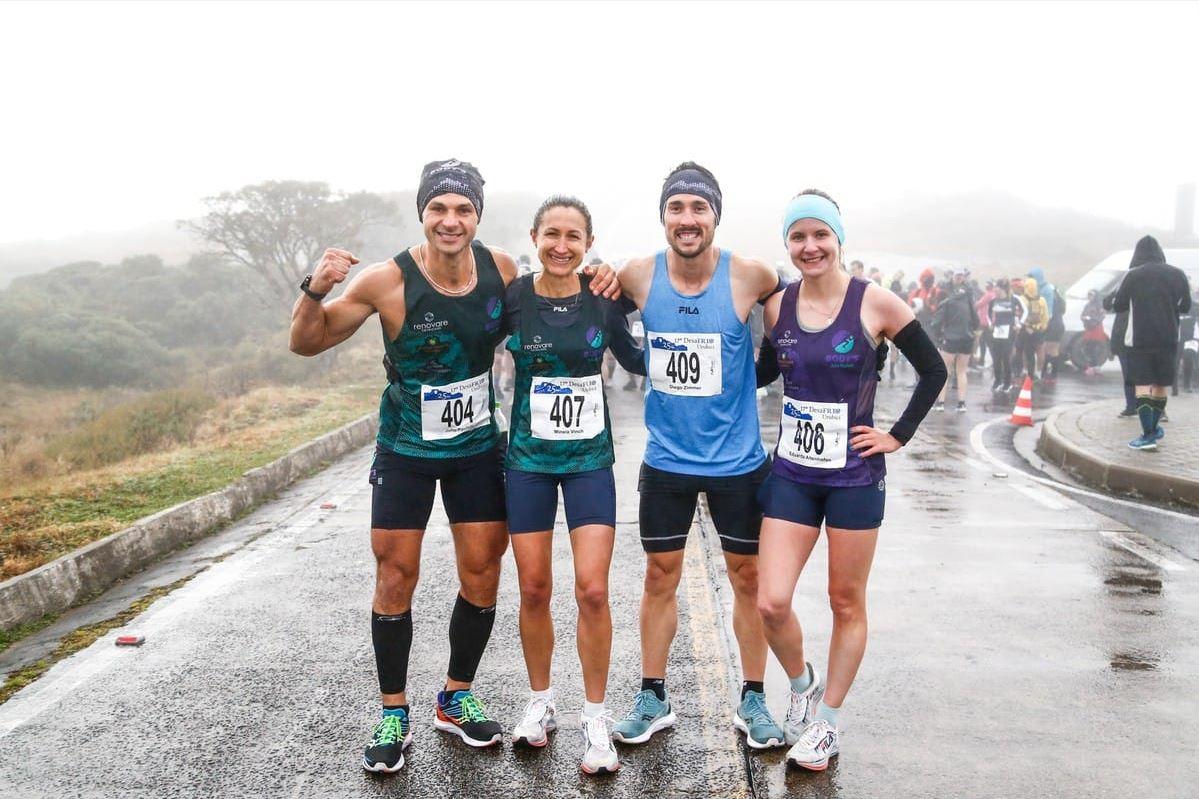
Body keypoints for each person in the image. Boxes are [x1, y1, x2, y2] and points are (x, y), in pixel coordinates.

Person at [288, 159, 617, 774]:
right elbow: (307, 342)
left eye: (463, 209)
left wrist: (602, 282)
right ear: (422, 213)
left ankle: (456, 695)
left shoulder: (502, 271)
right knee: (396, 573)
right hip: (407, 449)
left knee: (483, 570)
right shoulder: (388, 280)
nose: (450, 219)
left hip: (476, 448)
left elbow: (554, 306)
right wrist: (315, 289)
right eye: (438, 208)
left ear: (478, 218)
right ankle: (393, 710)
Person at [755, 190, 946, 771]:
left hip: (854, 475)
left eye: (820, 235)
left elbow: (932, 370)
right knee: (771, 601)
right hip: (792, 470)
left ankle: (828, 722)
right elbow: (761, 373)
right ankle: (803, 682)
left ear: (838, 240)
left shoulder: (877, 304)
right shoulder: (776, 307)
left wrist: (896, 435)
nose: (809, 247)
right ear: (787, 244)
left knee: (845, 601)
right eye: (798, 237)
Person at [609, 162, 788, 750]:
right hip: (666, 463)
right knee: (660, 577)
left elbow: (790, 334)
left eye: (699, 209)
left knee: (748, 578)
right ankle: (653, 695)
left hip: (738, 463)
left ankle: (755, 698)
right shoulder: (638, 275)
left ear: (715, 216)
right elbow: (611, 321)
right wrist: (639, 364)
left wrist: (754, 379)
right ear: (664, 216)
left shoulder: (752, 275)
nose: (687, 220)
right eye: (677, 208)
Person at [503, 196, 643, 774]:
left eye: (574, 236)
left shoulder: (603, 297)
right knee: (534, 588)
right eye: (552, 234)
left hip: (589, 461)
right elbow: (463, 339)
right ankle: (540, 703)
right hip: (528, 461)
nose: (562, 245)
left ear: (589, 244)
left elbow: (637, 357)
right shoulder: (512, 300)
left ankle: (595, 715)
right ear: (535, 237)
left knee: (591, 590)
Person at [1105, 235, 1192, 450]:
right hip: (1169, 338)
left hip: (1139, 339)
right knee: (1161, 385)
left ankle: (1147, 435)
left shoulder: (1133, 276)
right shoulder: (1177, 274)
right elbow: (1186, 307)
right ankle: (1153, 430)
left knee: (1142, 385)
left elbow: (1119, 305)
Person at [932, 268, 979, 412]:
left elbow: (937, 323)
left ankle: (940, 404)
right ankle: (961, 404)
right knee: (962, 371)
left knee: (945, 371)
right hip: (967, 338)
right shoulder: (969, 297)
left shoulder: (947, 299)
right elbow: (976, 319)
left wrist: (939, 337)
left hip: (951, 338)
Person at [1029, 267, 1064, 382]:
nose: (1030, 279)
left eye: (1031, 277)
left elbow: (1048, 311)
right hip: (1055, 322)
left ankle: (1050, 375)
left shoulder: (1047, 290)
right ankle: (1047, 374)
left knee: (1050, 349)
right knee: (1049, 349)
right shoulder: (1046, 288)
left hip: (1053, 323)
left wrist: (1041, 324)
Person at [987, 278, 1021, 392]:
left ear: (1003, 288)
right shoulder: (993, 300)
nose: (995, 289)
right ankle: (997, 380)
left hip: (1009, 331)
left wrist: (1018, 324)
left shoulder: (1014, 299)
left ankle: (1007, 382)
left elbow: (1024, 311)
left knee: (1006, 357)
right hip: (997, 331)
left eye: (997, 287)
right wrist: (990, 323)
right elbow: (988, 313)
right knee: (996, 357)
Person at [1018, 276, 1048, 383]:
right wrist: (1042, 327)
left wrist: (1025, 326)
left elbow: (1019, 314)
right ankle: (1039, 372)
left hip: (1026, 329)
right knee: (1040, 350)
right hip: (1038, 329)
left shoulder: (1022, 299)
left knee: (1026, 351)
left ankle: (1026, 370)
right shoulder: (1042, 300)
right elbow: (1045, 316)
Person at [1079, 289, 1108, 376]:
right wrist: (1084, 318)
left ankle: (1094, 367)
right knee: (1088, 347)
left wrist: (1093, 320)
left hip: (1096, 329)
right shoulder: (1087, 305)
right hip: (1089, 328)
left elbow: (1102, 316)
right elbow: (1082, 315)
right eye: (1089, 295)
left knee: (1093, 348)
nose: (1090, 297)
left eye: (1091, 295)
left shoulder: (1099, 306)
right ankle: (1094, 367)